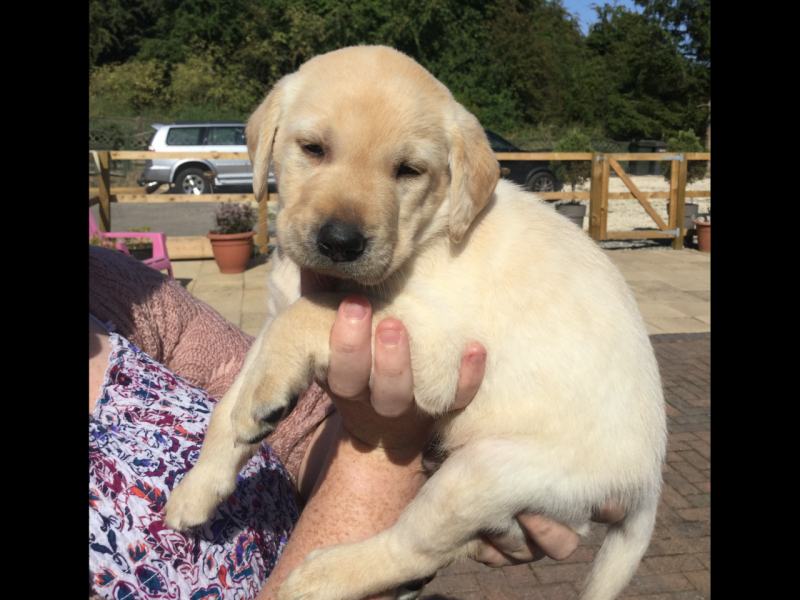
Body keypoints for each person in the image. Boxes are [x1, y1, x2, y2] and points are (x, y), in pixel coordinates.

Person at [89, 246, 623, 599]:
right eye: (313, 150)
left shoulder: (116, 287)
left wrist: (453, 491)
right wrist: (385, 449)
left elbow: (293, 425)